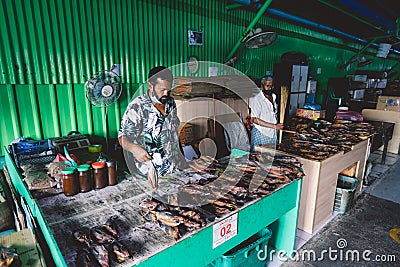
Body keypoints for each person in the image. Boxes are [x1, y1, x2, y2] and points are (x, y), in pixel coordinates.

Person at [118, 66, 186, 178]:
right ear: (150, 85)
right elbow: (122, 137)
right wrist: (134, 148)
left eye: (169, 90)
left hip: (175, 169)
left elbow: (173, 133)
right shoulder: (137, 107)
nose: (166, 94)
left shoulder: (171, 103)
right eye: (162, 90)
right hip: (152, 174)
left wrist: (182, 159)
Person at [248, 75, 284, 152]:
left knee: (270, 155)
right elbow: (254, 120)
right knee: (257, 157)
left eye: (271, 86)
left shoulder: (274, 97)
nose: (270, 88)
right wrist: (274, 126)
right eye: (267, 85)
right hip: (261, 132)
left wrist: (275, 127)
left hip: (272, 132)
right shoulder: (257, 99)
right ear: (262, 87)